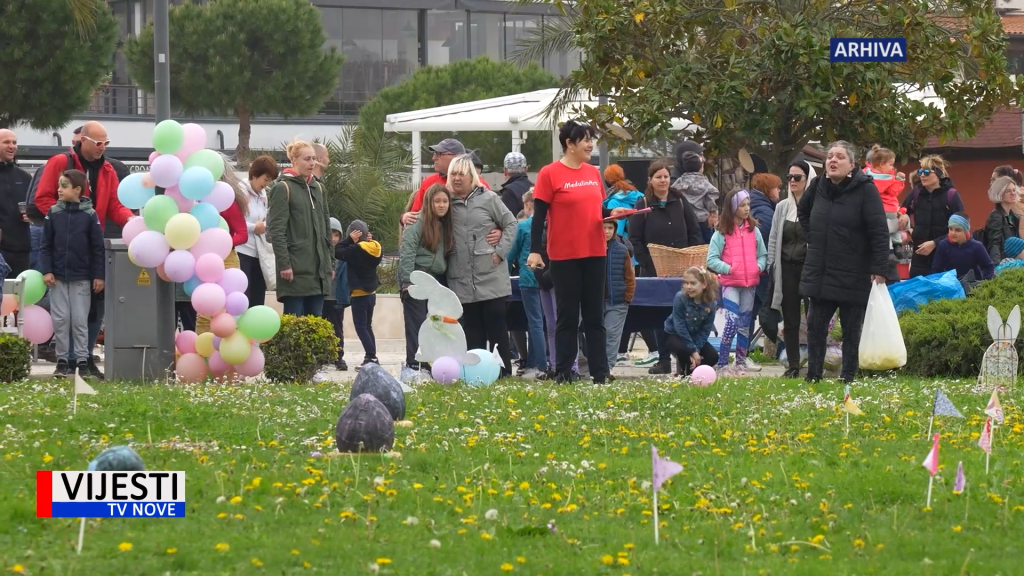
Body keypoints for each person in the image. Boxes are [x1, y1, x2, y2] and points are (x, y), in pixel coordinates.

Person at [34, 121, 133, 379]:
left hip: (91, 246)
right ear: (83, 141)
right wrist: (66, 219)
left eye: (106, 143)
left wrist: (130, 219)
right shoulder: (60, 162)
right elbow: (42, 198)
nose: (102, 148)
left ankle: (84, 358)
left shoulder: (108, 169)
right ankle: (66, 359)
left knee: (92, 308)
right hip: (64, 247)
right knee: (64, 312)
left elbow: (114, 205)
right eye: (98, 143)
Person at [526, 121, 613, 384]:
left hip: (595, 252)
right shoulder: (549, 173)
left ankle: (601, 374)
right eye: (585, 139)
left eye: (591, 139)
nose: (590, 145)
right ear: (569, 144)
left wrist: (614, 213)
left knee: (595, 317)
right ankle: (564, 373)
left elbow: (597, 210)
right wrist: (535, 251)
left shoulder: (593, 172)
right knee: (567, 317)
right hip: (564, 256)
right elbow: (538, 217)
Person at [798, 141, 889, 384]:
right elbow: (803, 212)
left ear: (852, 165)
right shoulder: (817, 185)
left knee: (851, 329)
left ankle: (848, 376)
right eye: (830, 156)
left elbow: (879, 231)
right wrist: (812, 237)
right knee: (815, 326)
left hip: (853, 271)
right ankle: (813, 376)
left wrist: (880, 267)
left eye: (839, 157)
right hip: (821, 269)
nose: (833, 160)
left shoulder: (866, 190)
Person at [447, 155, 518, 376]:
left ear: (472, 176)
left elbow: (511, 223)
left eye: (461, 174)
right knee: (472, 329)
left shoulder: (489, 198)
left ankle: (503, 373)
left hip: (491, 275)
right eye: (453, 174)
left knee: (496, 327)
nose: (457, 178)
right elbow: (425, 219)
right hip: (461, 278)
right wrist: (405, 217)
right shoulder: (445, 201)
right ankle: (476, 374)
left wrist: (500, 252)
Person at [629, 161, 703, 368]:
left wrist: (691, 258)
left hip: (682, 271)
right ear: (650, 180)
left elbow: (694, 231)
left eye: (666, 177)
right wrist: (647, 262)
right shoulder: (643, 204)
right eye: (658, 177)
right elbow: (635, 239)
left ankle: (684, 359)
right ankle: (663, 360)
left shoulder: (680, 201)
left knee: (683, 314)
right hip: (654, 271)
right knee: (659, 317)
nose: (663, 180)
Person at [39, 170, 104, 377]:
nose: (59, 189)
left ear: (77, 190)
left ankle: (82, 360)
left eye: (64, 186)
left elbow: (97, 248)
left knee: (79, 320)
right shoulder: (53, 213)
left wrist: (99, 275)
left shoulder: (89, 215)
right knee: (60, 319)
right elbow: (45, 245)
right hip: (57, 278)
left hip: (82, 277)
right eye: (59, 185)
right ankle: (62, 361)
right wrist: (47, 270)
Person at [267, 140, 334, 317]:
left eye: (313, 158)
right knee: (294, 321)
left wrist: (330, 263)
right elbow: (277, 231)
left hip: (319, 271)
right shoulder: (282, 188)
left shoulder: (319, 188)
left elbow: (326, 227)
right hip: (295, 270)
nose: (312, 163)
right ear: (294, 160)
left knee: (316, 321)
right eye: (307, 159)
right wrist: (284, 264)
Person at [706, 189, 767, 375]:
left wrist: (757, 267)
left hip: (750, 285)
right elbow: (711, 259)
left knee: (744, 324)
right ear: (732, 208)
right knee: (731, 323)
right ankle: (723, 363)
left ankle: (741, 362)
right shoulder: (721, 233)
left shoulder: (754, 230)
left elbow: (763, 255)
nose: (747, 208)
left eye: (748, 204)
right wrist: (729, 269)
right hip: (731, 284)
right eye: (742, 205)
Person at [399, 184, 452, 375]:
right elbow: (407, 251)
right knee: (416, 325)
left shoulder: (445, 224)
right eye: (437, 201)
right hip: (416, 280)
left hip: (436, 280)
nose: (441, 205)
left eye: (445, 201)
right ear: (429, 202)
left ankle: (428, 363)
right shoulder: (417, 222)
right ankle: (414, 365)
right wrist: (407, 282)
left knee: (433, 325)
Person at [195, 155, 249, 336]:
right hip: (203, 260)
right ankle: (203, 351)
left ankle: (227, 350)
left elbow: (242, 234)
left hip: (227, 260)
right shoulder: (194, 198)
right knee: (204, 311)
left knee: (229, 311)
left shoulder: (226, 199)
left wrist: (221, 244)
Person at [768, 161, 811, 378]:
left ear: (808, 179)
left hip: (809, 268)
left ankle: (816, 362)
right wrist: (771, 265)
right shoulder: (782, 207)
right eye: (790, 177)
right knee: (791, 319)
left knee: (815, 317)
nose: (792, 181)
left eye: (797, 177)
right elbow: (774, 237)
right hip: (786, 269)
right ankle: (793, 365)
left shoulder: (815, 206)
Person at [899, 155, 964, 278]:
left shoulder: (951, 195)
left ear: (938, 173)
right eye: (920, 172)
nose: (922, 175)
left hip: (944, 254)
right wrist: (905, 216)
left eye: (927, 172)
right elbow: (903, 210)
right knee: (918, 288)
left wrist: (935, 243)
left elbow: (961, 227)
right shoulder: (916, 193)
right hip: (919, 255)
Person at [506, 190, 547, 380]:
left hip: (529, 277)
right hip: (549, 276)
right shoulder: (550, 224)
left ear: (529, 205)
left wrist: (504, 274)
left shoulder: (523, 226)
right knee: (545, 323)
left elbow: (512, 254)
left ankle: (539, 365)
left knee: (535, 322)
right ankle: (536, 362)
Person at [401, 139, 490, 225]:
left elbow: (493, 215)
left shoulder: (479, 184)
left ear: (457, 157)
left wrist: (496, 230)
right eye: (434, 153)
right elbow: (414, 218)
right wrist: (404, 218)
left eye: (439, 154)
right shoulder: (429, 182)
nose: (434, 158)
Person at [656, 266, 720, 376]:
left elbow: (705, 330)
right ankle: (686, 373)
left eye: (693, 283)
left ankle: (692, 373)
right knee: (684, 351)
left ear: (704, 285)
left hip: (694, 336)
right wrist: (692, 351)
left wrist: (697, 350)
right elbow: (679, 326)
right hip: (673, 334)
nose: (688, 286)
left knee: (713, 357)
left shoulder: (711, 304)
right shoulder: (680, 297)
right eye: (685, 283)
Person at [336, 220, 383, 368]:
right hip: (371, 294)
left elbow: (338, 251)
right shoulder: (376, 247)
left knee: (361, 327)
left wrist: (349, 240)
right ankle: (371, 356)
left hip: (359, 295)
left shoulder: (355, 250)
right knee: (367, 326)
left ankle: (371, 357)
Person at [235, 155, 279, 308]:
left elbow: (263, 217)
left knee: (258, 296)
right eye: (265, 179)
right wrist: (254, 227)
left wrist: (265, 225)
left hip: (259, 252)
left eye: (270, 181)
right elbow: (235, 221)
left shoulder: (263, 194)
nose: (266, 184)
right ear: (254, 174)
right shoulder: (240, 191)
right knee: (243, 295)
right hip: (242, 251)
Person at [746, 172, 779, 368]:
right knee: (773, 311)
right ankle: (780, 351)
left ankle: (744, 351)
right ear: (768, 189)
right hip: (763, 270)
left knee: (750, 312)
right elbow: (767, 242)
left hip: (751, 269)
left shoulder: (753, 206)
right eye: (776, 187)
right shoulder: (766, 212)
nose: (779, 191)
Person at [601, 220, 636, 380]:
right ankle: (595, 366)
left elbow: (630, 276)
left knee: (611, 334)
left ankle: (608, 368)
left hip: (617, 300)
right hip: (595, 300)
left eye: (610, 228)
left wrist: (627, 297)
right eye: (604, 228)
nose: (607, 231)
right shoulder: (590, 248)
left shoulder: (622, 250)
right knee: (596, 335)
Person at [863, 145, 907, 253]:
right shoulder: (888, 178)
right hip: (889, 208)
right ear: (882, 164)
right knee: (893, 228)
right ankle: (896, 245)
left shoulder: (865, 174)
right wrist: (900, 180)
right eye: (891, 164)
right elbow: (893, 191)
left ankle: (890, 248)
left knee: (883, 231)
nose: (892, 168)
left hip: (871, 209)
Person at [0, 129, 31, 277]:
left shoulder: (24, 176)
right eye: (6, 142)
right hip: (1, 249)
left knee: (18, 291)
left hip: (21, 249)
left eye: (14, 142)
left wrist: (32, 215)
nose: (12, 146)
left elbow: (34, 206)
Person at [670, 151, 720, 243]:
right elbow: (712, 195)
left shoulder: (680, 181)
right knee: (707, 245)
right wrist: (713, 211)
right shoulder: (705, 182)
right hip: (703, 220)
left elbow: (672, 191)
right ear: (700, 167)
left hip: (685, 219)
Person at [931, 214, 994, 280]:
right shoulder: (943, 245)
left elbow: (988, 266)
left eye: (958, 230)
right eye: (950, 229)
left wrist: (985, 282)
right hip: (951, 283)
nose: (953, 233)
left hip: (972, 284)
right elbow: (936, 270)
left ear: (966, 231)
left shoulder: (977, 246)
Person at [321, 218, 347, 373]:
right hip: (322, 297)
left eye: (337, 235)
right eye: (330, 234)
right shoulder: (320, 253)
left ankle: (338, 357)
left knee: (337, 329)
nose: (334, 238)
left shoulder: (342, 255)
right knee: (322, 328)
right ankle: (323, 356)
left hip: (336, 298)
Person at [983, 176, 1021, 263]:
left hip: (1014, 262)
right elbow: (994, 244)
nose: (1013, 193)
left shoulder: (1014, 217)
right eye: (1008, 191)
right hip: (1003, 263)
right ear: (1000, 193)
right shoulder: (995, 216)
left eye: (1014, 190)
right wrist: (997, 266)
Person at [499, 152, 533, 217]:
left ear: (505, 171)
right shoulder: (535, 188)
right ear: (526, 169)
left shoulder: (508, 192)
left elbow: (508, 220)